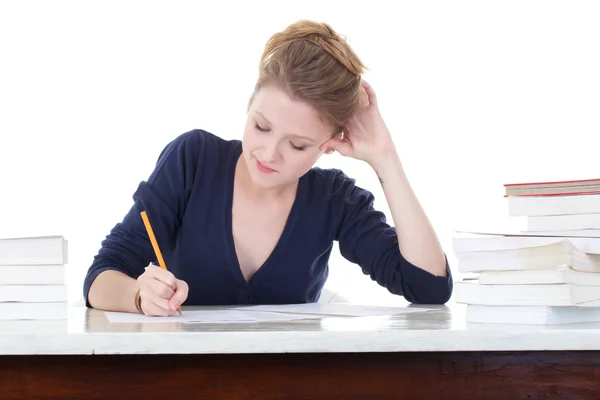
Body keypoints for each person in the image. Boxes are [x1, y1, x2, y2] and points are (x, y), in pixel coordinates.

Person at [84, 20, 453, 316]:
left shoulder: (333, 198)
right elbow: (101, 277)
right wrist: (137, 294)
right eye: (261, 126)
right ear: (249, 104)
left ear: (329, 144)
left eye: (297, 145)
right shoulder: (194, 160)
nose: (268, 153)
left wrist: (385, 157)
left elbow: (429, 289)